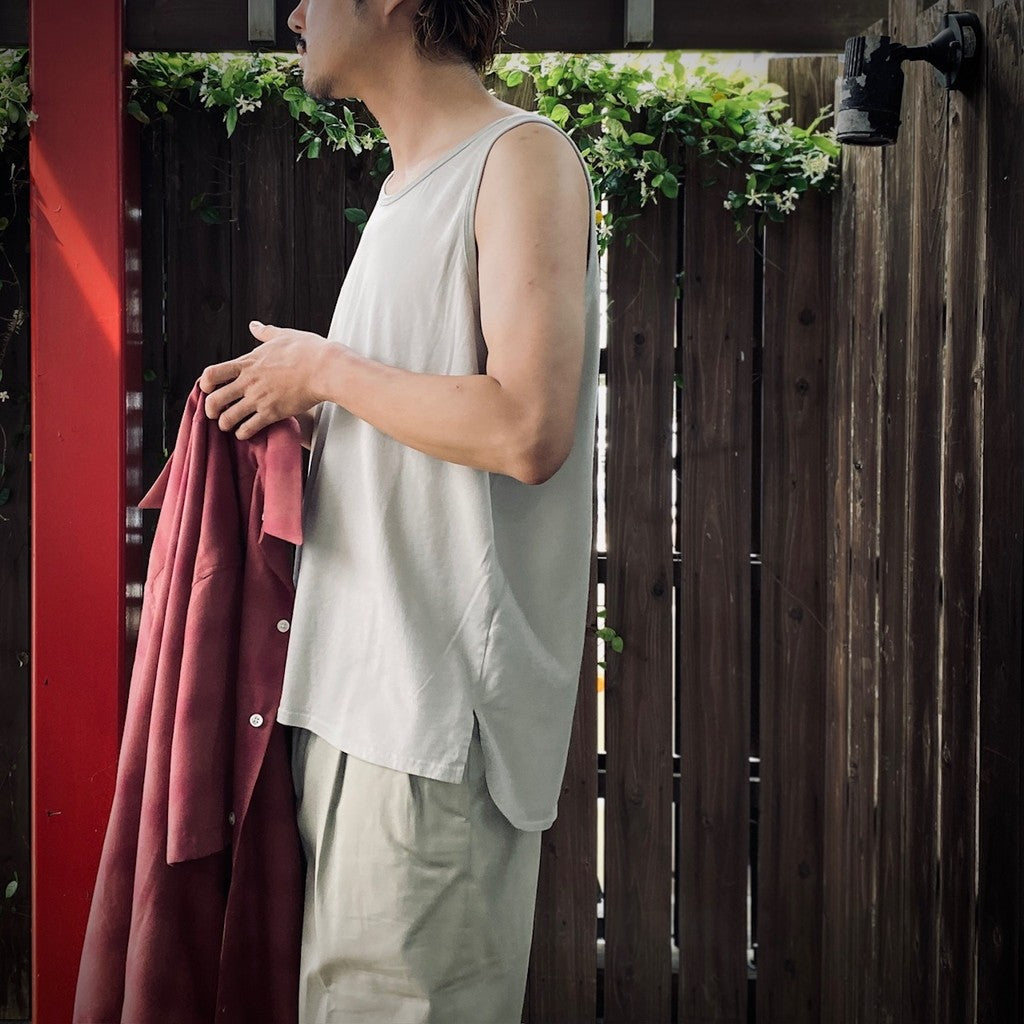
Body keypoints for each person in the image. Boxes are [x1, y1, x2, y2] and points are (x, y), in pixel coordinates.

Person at [197, 0, 600, 1020]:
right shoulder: (401, 191)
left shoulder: (519, 158)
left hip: (431, 735)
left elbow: (526, 428)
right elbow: (430, 441)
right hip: (356, 714)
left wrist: (327, 371)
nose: (294, 12)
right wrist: (312, 415)